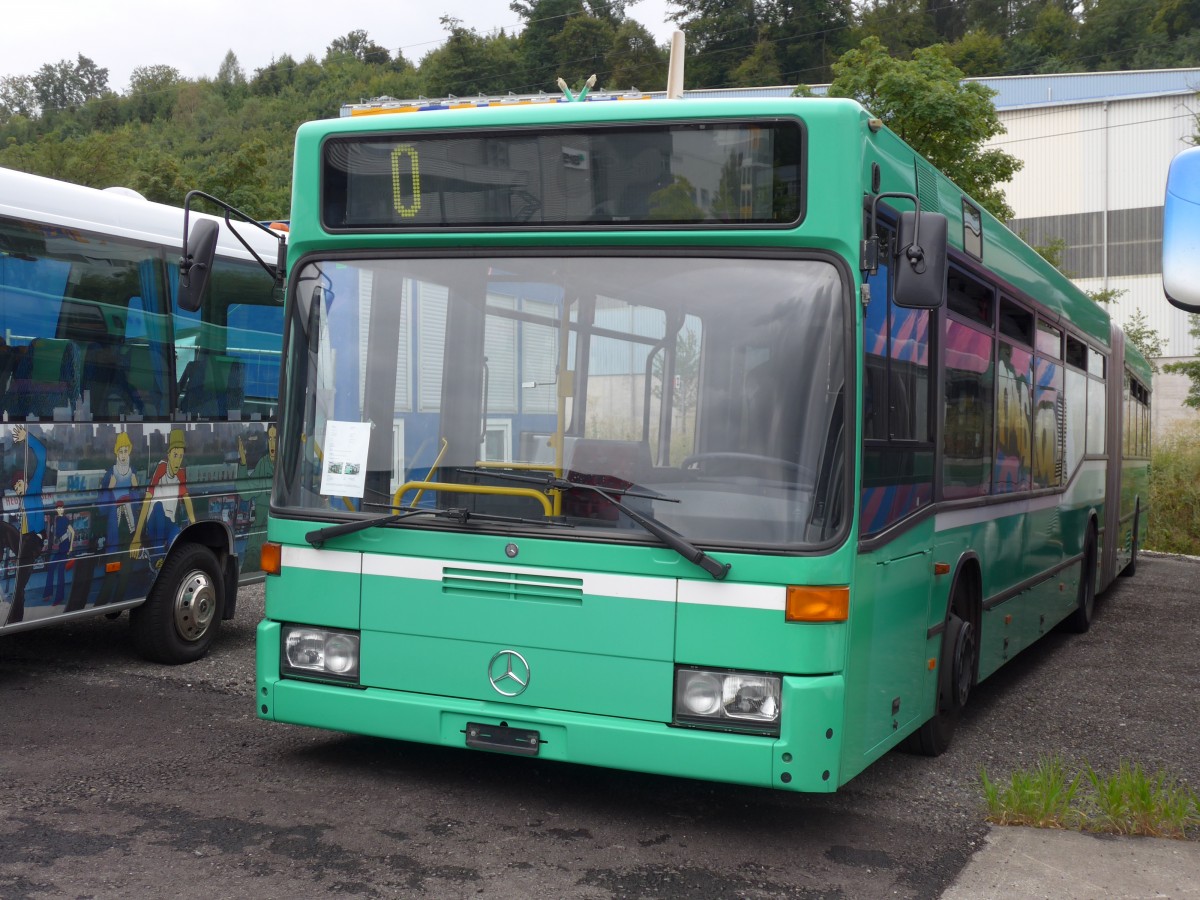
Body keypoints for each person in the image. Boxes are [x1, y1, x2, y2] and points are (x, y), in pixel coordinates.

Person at [130, 429, 195, 569]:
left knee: (178, 536)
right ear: (169, 454)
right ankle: (157, 558)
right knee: (158, 506)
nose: (178, 460)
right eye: (175, 455)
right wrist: (136, 537)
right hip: (153, 523)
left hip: (168, 525)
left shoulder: (181, 474)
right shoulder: (161, 468)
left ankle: (163, 564)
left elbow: (187, 499)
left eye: (181, 456)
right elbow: (147, 500)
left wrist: (194, 524)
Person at [5, 425, 47, 625]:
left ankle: (15, 618)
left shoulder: (34, 488)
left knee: (19, 584)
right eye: (15, 488)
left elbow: (43, 455)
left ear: (25, 482)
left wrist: (27, 437)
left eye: (19, 485)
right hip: (24, 540)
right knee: (3, 528)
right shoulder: (22, 501)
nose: (18, 490)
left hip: (34, 539)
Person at [43, 501, 75, 607]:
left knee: (61, 573)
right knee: (51, 568)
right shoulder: (57, 519)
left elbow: (73, 532)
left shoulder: (65, 519)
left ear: (63, 509)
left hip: (65, 549)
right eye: (57, 508)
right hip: (60, 548)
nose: (59, 509)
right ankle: (48, 593)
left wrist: (70, 547)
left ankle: (59, 598)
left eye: (61, 508)